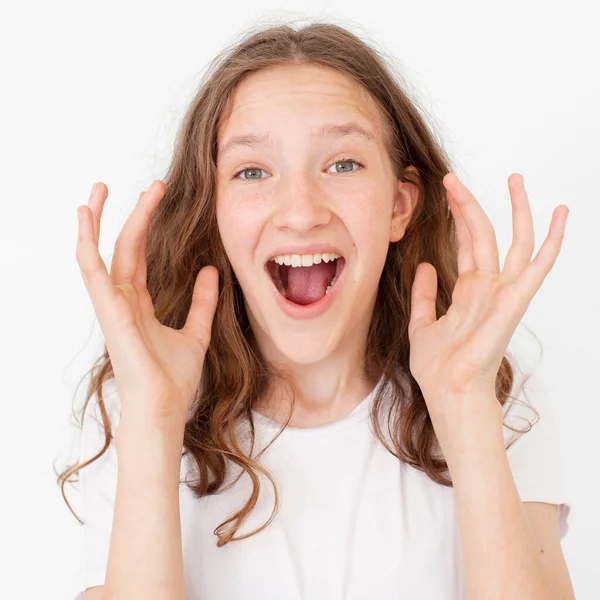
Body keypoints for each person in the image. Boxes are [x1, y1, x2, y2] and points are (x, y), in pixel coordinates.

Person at [59, 20, 574, 599]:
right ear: (214, 211)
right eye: (252, 171)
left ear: (400, 206)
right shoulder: (133, 405)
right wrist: (153, 421)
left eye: (343, 164)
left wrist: (465, 404)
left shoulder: (496, 395)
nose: (300, 212)